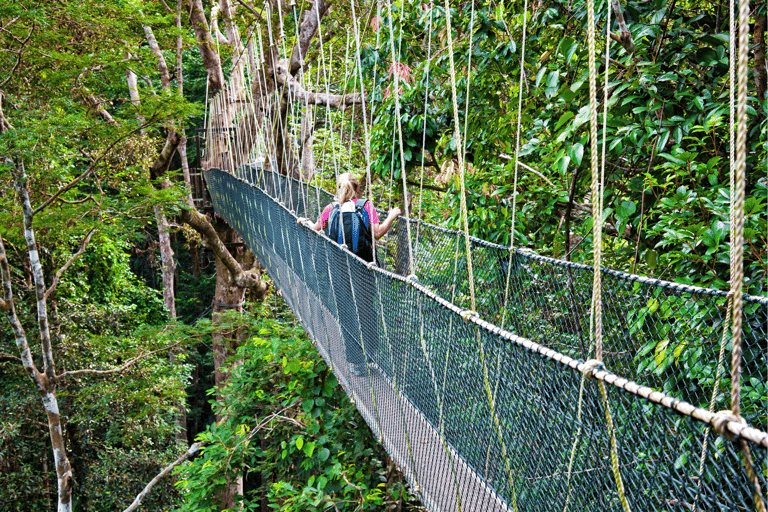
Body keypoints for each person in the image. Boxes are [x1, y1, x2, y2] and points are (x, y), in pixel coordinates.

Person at [298, 173, 401, 376]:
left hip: (338, 268)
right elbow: (377, 233)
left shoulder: (330, 209)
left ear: (338, 189)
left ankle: (355, 363)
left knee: (346, 312)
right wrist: (392, 215)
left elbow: (317, 228)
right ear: (358, 189)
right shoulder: (364, 206)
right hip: (364, 267)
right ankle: (369, 354)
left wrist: (305, 222)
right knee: (366, 309)